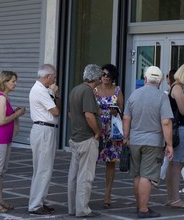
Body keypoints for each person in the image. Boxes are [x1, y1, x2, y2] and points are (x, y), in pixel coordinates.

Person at [123, 66, 174, 219]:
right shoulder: (162, 97)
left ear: (145, 79)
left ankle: (140, 206)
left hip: (135, 140)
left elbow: (126, 118)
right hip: (153, 141)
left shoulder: (134, 95)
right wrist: (169, 144)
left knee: (137, 174)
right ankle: (144, 210)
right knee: (147, 175)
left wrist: (126, 137)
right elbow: (166, 123)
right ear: (159, 82)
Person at [0, 71, 26, 213]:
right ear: (4, 82)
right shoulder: (1, 98)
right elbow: (2, 120)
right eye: (12, 81)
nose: (15, 84)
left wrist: (14, 113)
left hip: (5, 138)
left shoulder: (4, 97)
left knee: (1, 171)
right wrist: (17, 114)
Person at [68, 64, 102, 218]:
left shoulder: (75, 89)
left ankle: (73, 207)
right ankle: (83, 209)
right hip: (86, 138)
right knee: (85, 176)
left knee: (74, 176)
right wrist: (97, 132)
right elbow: (89, 115)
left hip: (75, 136)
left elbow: (71, 113)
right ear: (96, 78)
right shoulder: (87, 91)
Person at [28, 64, 61, 215]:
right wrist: (54, 94)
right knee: (43, 168)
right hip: (44, 129)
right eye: (53, 76)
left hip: (46, 129)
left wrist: (55, 94)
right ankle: (35, 205)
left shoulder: (44, 90)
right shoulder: (40, 90)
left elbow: (57, 109)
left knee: (43, 168)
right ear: (47, 76)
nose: (54, 79)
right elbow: (55, 111)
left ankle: (40, 200)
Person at [165, 63, 184, 208]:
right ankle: (175, 198)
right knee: (178, 164)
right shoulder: (177, 88)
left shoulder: (175, 87)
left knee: (173, 164)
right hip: (181, 129)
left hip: (176, 129)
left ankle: (171, 197)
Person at [94, 64, 124, 209]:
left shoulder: (117, 90)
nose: (105, 77)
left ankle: (107, 193)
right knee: (91, 161)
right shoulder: (94, 90)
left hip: (112, 130)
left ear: (113, 77)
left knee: (110, 162)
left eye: (108, 75)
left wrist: (115, 112)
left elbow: (122, 110)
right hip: (97, 128)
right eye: (103, 74)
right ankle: (86, 192)